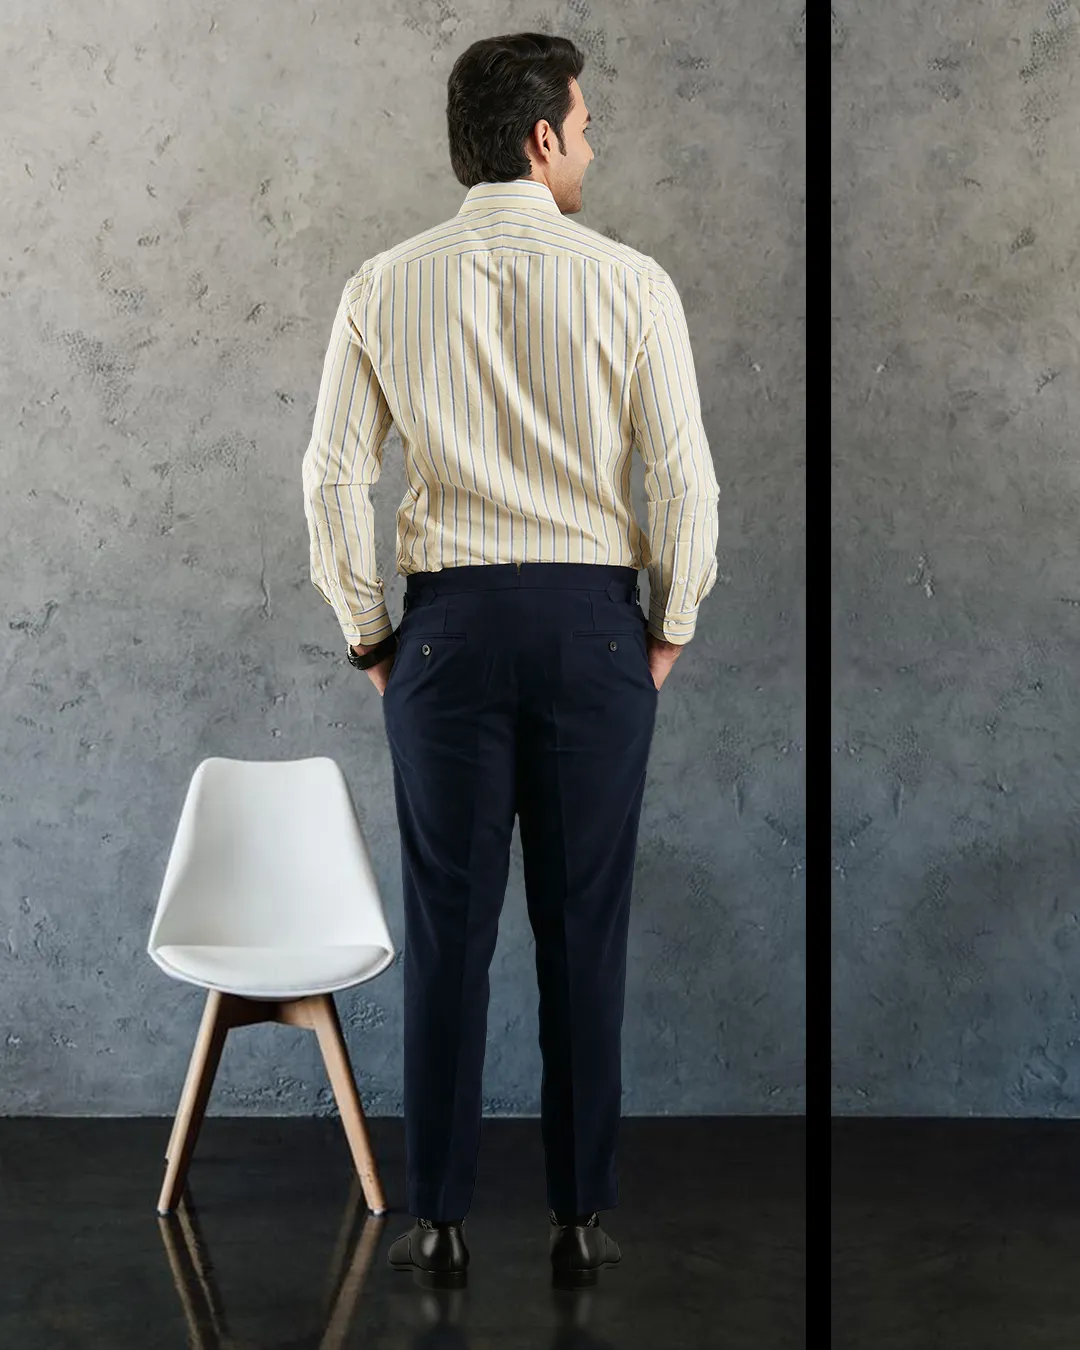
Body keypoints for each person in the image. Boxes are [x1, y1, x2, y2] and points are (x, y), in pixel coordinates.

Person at [301, 31, 720, 1291]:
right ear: (540, 138)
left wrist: (373, 635)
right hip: (595, 626)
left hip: (449, 633)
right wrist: (668, 626)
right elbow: (685, 485)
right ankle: (581, 1216)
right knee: (583, 928)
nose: (592, 143)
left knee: (448, 929)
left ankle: (435, 1218)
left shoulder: (385, 281)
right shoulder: (632, 282)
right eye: (583, 125)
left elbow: (330, 483)